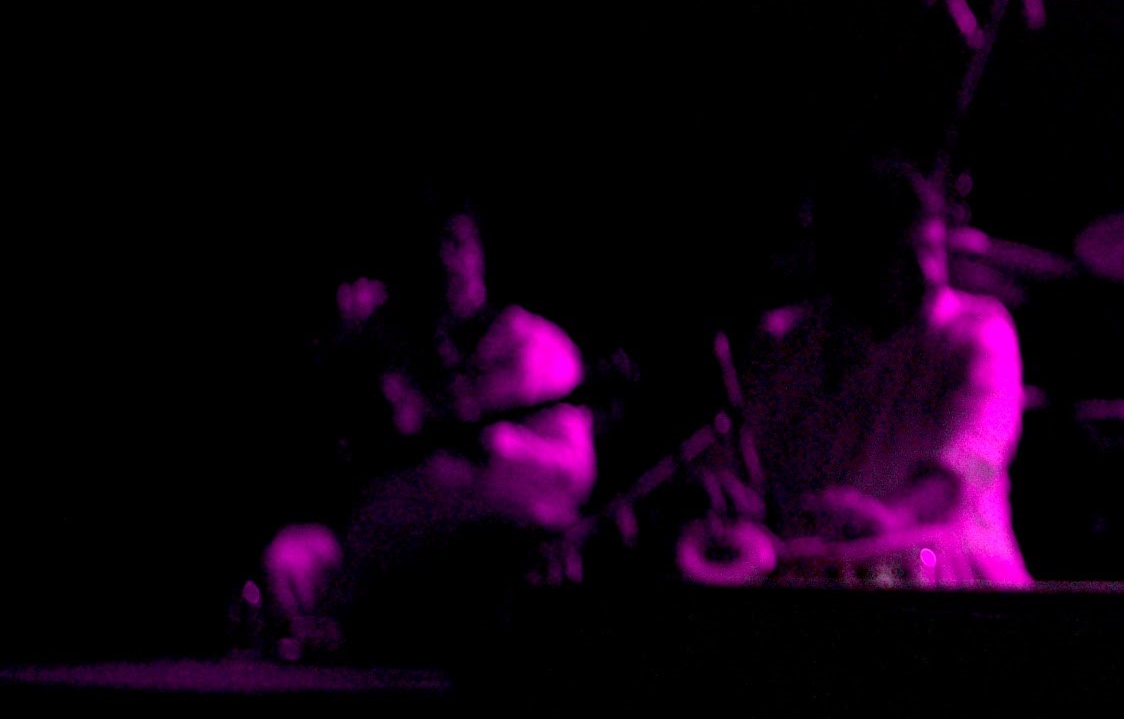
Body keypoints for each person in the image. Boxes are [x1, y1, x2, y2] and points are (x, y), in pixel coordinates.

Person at [259, 204, 596, 663]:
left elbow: (575, 474)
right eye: (431, 247)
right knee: (293, 560)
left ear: (483, 255)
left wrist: (491, 445)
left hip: (492, 555)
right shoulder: (394, 342)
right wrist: (345, 345)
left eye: (457, 244)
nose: (445, 262)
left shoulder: (535, 348)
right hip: (396, 549)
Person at [679, 162, 1031, 586]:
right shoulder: (787, 345)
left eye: (933, 250)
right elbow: (736, 460)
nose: (928, 273)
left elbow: (975, 461)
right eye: (904, 255)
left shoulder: (977, 331)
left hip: (961, 580)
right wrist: (725, 494)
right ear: (849, 259)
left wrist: (894, 519)